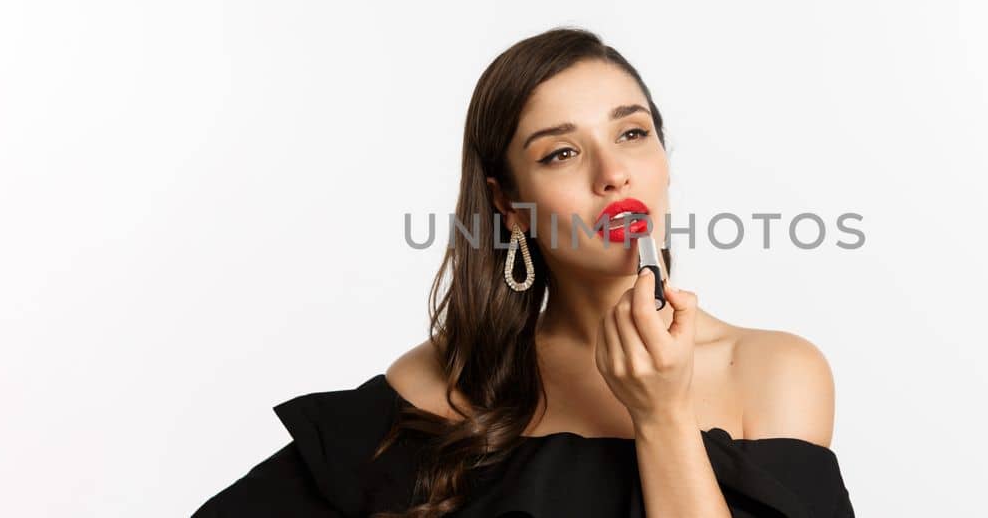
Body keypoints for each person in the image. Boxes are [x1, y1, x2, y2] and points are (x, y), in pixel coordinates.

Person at [193, 27, 854, 517]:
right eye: (563, 152)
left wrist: (662, 415)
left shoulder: (773, 371)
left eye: (631, 133)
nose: (612, 173)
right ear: (510, 204)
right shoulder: (444, 382)